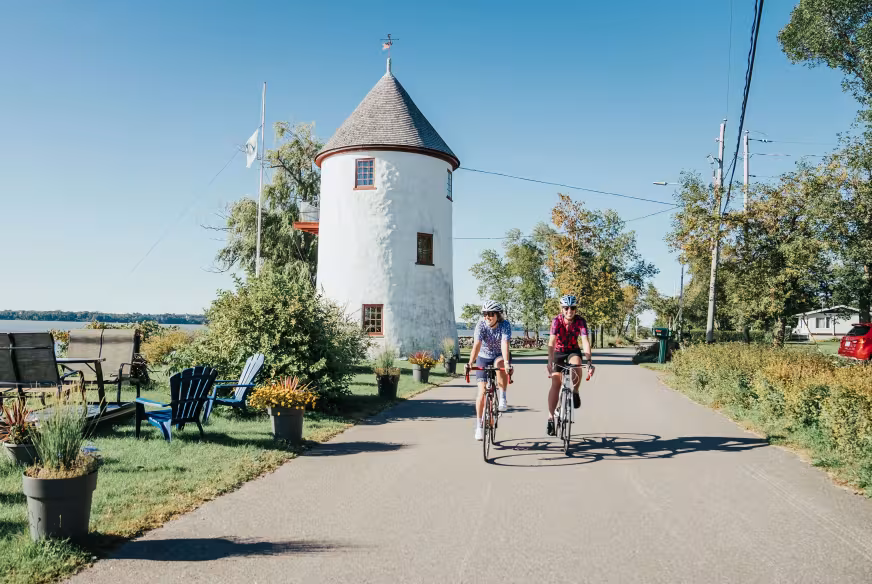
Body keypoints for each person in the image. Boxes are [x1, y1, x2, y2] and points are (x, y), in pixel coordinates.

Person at [545, 294, 594, 437]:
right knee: (556, 383)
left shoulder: (580, 321)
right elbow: (552, 342)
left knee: (577, 364)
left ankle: (576, 391)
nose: (569, 311)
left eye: (572, 308)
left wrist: (589, 361)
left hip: (573, 351)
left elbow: (585, 341)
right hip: (558, 352)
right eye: (566, 308)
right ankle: (550, 418)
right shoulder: (556, 321)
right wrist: (549, 361)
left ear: (575, 309)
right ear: (562, 309)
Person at [465, 300, 512, 441]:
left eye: (491, 314)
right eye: (485, 314)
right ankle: (479, 426)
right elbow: (477, 345)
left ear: (498, 315)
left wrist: (507, 363)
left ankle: (502, 397)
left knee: (500, 364)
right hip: (483, 357)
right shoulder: (481, 325)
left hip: (499, 355)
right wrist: (469, 363)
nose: (487, 317)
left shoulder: (505, 325)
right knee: (481, 392)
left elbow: (504, 344)